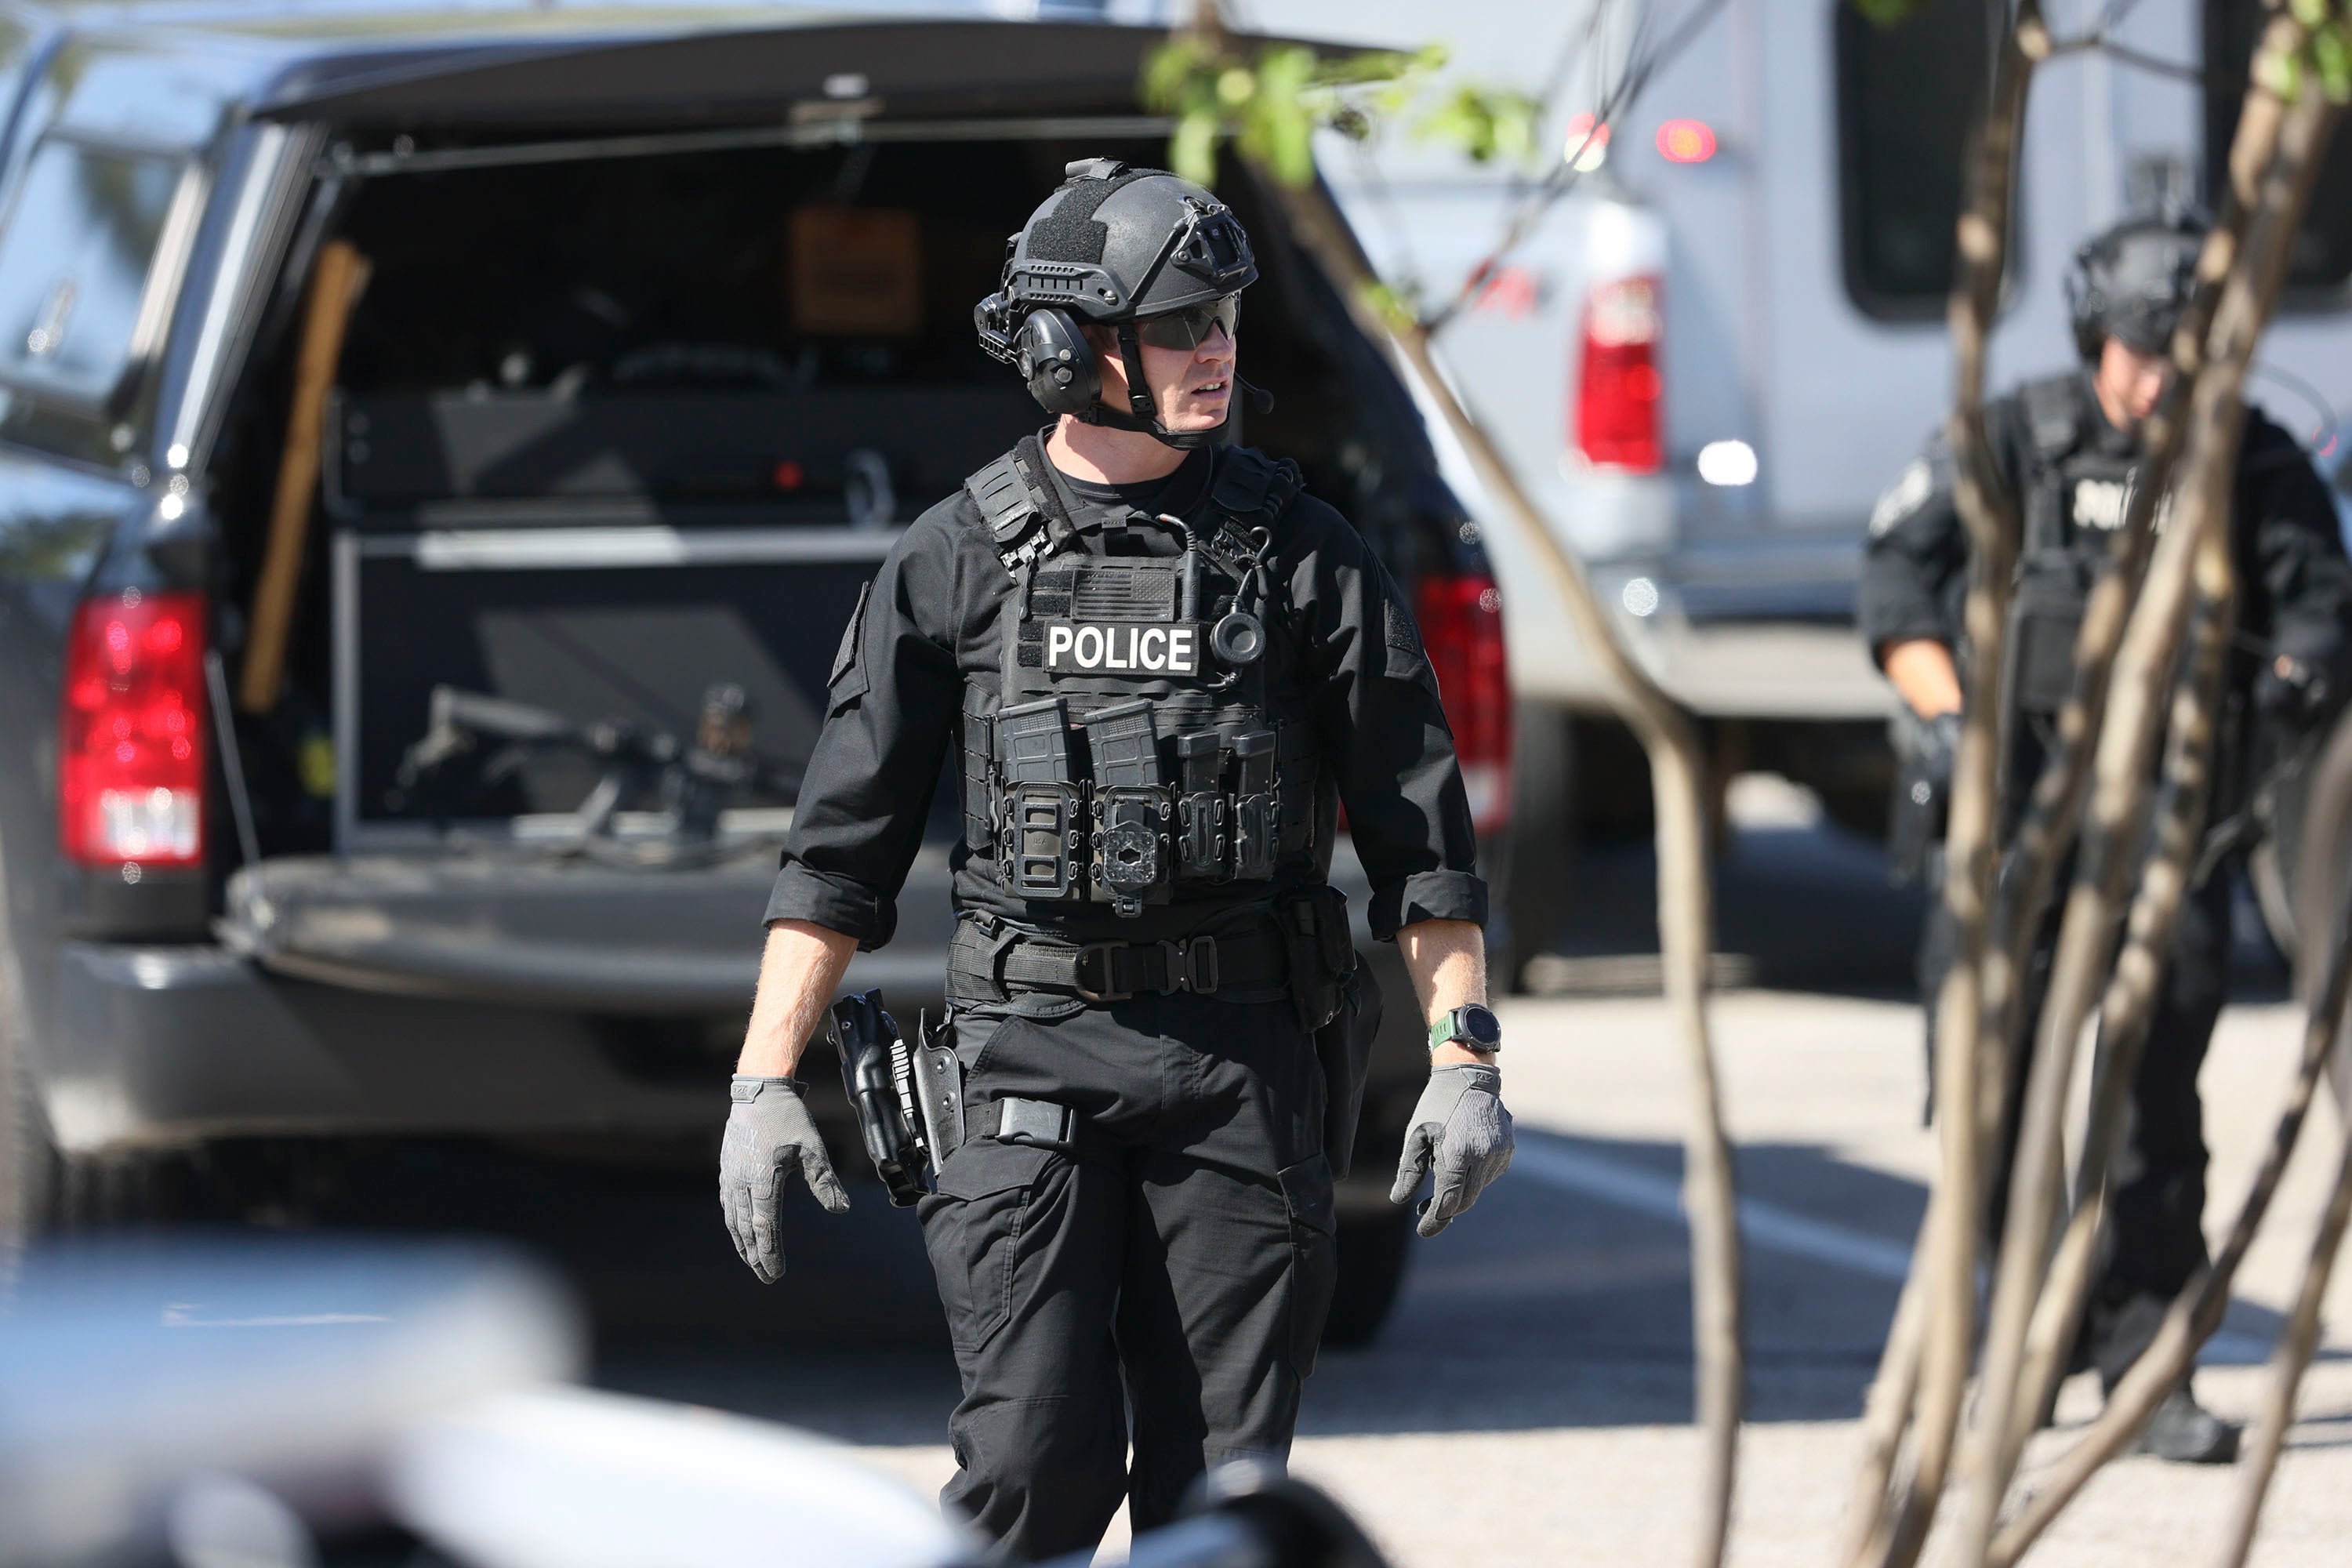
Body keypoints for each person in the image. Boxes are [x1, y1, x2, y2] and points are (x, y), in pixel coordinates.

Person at [715, 159, 1514, 1559]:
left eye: (1226, 322)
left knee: (1220, 1499)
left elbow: (1419, 841)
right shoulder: (953, 559)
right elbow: (839, 852)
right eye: (1182, 325)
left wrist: (1465, 1060)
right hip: (1028, 1051)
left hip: (1238, 1070)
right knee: (1027, 1473)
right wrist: (764, 1082)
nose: (1219, 352)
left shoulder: (1303, 555)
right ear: (1072, 348)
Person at [1860, 208, 2352, 1464]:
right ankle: (2018, 1354)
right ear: (2095, 338)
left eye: (2182, 354)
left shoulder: (2250, 456)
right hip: (2018, 834)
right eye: (2139, 349)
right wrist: (1948, 713)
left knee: (2153, 1116)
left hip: (2174, 833)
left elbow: (2321, 607)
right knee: (1998, 1110)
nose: (2157, 379)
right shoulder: (2015, 438)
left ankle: (2146, 1365)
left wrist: (2297, 674)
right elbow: (1897, 581)